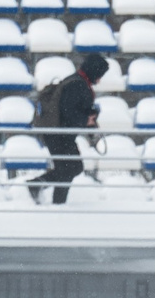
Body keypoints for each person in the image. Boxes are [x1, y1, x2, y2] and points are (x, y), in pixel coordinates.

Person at [35, 52, 108, 205]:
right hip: (58, 134)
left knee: (71, 168)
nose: (100, 80)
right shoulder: (78, 84)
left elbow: (74, 109)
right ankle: (50, 197)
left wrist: (89, 117)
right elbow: (68, 111)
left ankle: (40, 188)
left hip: (60, 133)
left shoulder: (77, 81)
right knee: (70, 168)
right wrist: (86, 119)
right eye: (100, 75)